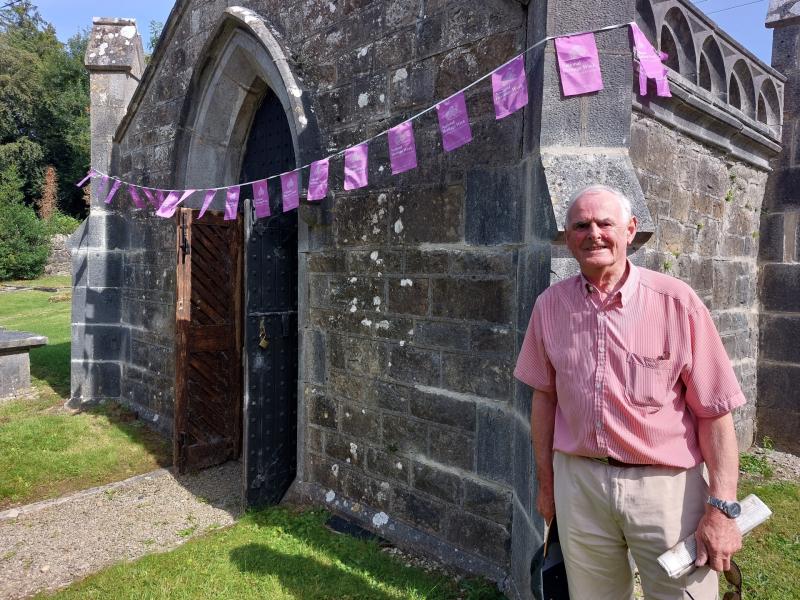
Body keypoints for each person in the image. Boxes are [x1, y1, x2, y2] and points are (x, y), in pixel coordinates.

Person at [514, 184, 744, 599]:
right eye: (581, 225)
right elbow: (543, 399)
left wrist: (723, 508)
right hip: (580, 485)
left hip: (666, 490)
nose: (594, 233)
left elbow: (715, 411)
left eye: (606, 223)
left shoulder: (677, 303)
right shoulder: (549, 306)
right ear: (568, 238)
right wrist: (547, 488)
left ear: (631, 230)